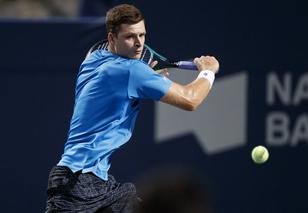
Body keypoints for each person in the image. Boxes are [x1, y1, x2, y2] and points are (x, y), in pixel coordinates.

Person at [45, 3, 219, 213]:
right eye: (130, 37)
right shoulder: (132, 71)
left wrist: (148, 78)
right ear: (111, 39)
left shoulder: (94, 59)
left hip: (95, 180)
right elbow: (190, 100)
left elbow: (116, 88)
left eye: (142, 35)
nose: (138, 44)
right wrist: (208, 72)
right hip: (76, 183)